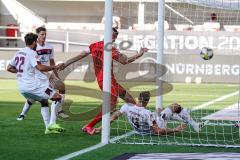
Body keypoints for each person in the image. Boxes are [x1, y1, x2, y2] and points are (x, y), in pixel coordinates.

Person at [60, 27, 149, 135]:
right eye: (114, 37)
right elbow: (125, 61)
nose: (115, 40)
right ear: (109, 35)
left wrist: (65, 64)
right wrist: (139, 54)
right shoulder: (110, 48)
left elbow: (79, 56)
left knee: (130, 100)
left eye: (115, 38)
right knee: (111, 106)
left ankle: (138, 122)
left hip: (107, 80)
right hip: (107, 80)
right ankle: (89, 126)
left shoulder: (94, 45)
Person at [7, 32, 65, 134]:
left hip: (22, 88)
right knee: (58, 97)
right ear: (34, 42)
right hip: (33, 86)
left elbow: (9, 68)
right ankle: (52, 124)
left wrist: (21, 72)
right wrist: (55, 67)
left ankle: (47, 129)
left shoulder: (18, 52)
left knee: (44, 101)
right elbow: (40, 68)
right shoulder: (32, 53)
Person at [17, 26, 68, 121]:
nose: (44, 36)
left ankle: (59, 110)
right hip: (37, 75)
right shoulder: (33, 48)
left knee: (61, 86)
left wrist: (56, 75)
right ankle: (23, 114)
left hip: (47, 73)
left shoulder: (50, 47)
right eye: (42, 34)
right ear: (37, 36)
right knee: (39, 98)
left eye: (45, 34)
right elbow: (37, 66)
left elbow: (52, 61)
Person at [95, 91, 187, 135]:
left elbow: (113, 117)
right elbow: (158, 131)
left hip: (139, 131)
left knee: (159, 111)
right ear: (147, 101)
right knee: (174, 106)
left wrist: (100, 128)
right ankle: (191, 121)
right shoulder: (147, 113)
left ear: (138, 99)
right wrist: (175, 129)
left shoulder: (127, 106)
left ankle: (164, 114)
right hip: (155, 128)